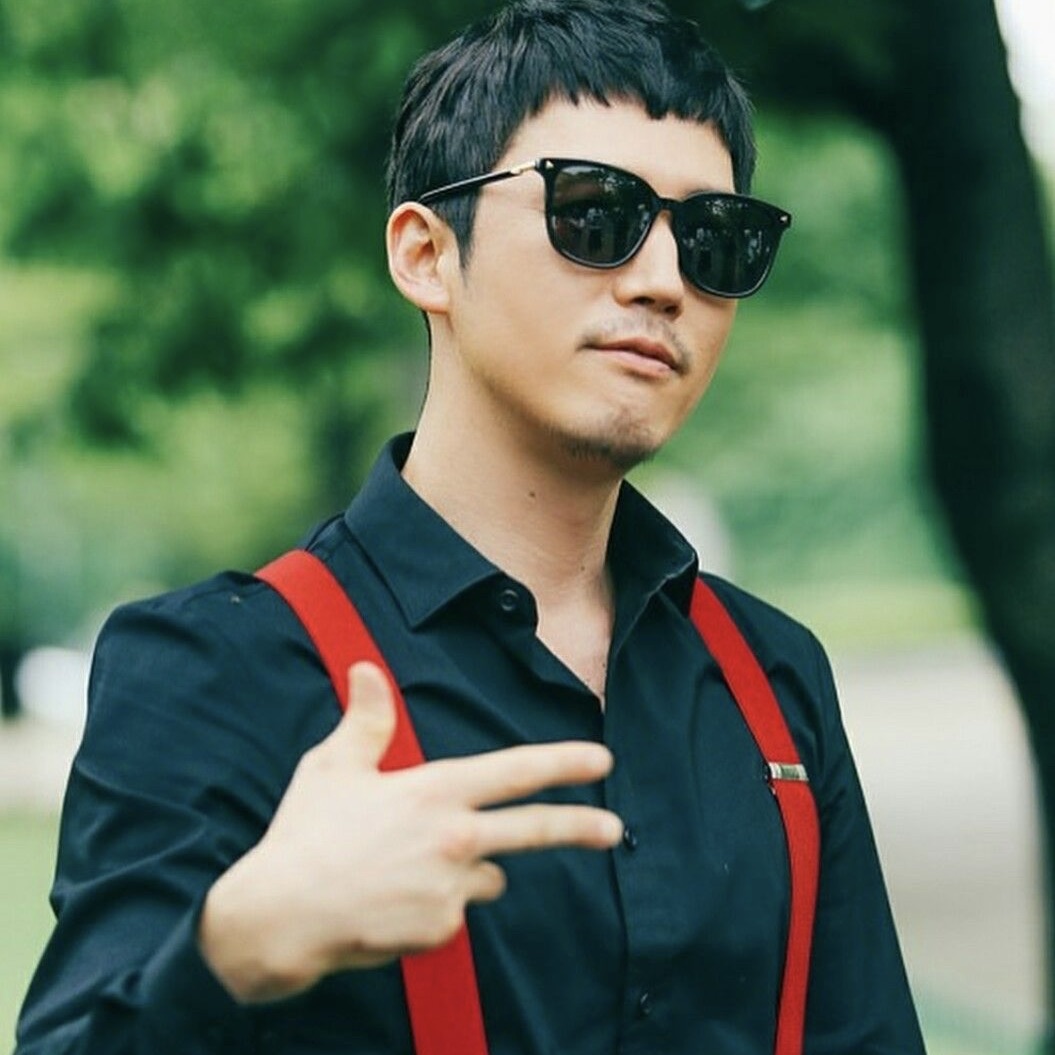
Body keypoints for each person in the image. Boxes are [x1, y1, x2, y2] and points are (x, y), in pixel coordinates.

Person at [15, 1, 927, 1052]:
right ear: (425, 254)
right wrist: (232, 951)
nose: (661, 281)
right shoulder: (217, 670)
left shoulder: (773, 678)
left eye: (713, 239)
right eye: (595, 214)